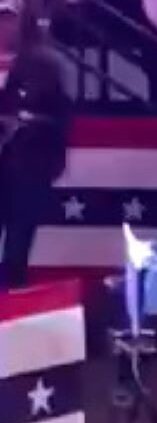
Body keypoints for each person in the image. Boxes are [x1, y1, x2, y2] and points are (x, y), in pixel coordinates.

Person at [0, 0, 68, 289]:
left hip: (26, 171)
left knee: (17, 250)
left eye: (7, 18)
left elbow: (62, 119)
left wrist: (27, 123)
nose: (2, 26)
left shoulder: (46, 64)